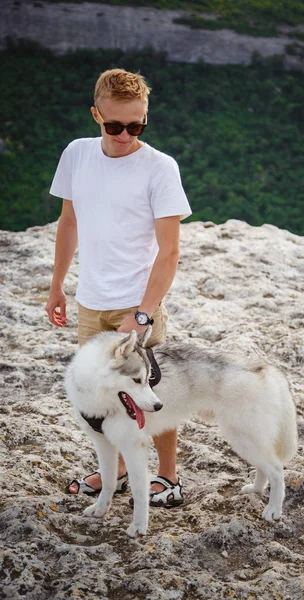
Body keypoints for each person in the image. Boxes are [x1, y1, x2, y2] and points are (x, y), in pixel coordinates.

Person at [46, 68, 191, 506]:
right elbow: (69, 222)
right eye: (114, 125)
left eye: (136, 125)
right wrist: (57, 286)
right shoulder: (77, 154)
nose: (125, 135)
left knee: (153, 390)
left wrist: (144, 313)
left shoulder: (160, 168)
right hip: (91, 302)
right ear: (96, 115)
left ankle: (168, 478)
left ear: (145, 116)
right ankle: (119, 472)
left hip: (137, 301)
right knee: (100, 394)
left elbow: (168, 253)